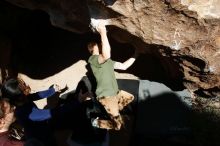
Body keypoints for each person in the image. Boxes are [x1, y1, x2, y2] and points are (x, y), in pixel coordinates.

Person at [87, 21, 138, 130]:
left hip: (115, 94)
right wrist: (103, 32)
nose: (101, 45)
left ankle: (113, 110)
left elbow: (124, 66)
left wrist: (136, 54)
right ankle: (96, 123)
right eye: (99, 45)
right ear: (93, 48)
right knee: (117, 126)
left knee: (131, 97)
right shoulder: (93, 60)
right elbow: (106, 54)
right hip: (107, 96)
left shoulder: (108, 61)